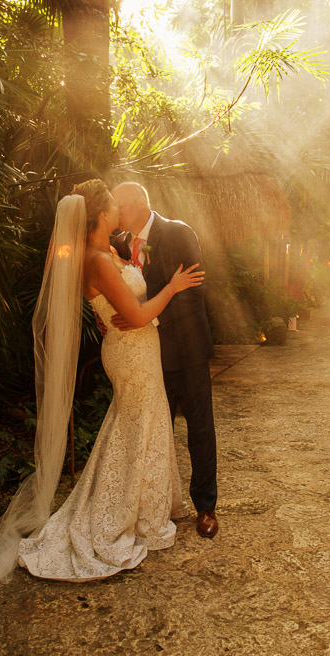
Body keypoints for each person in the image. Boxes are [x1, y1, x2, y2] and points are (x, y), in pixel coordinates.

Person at [0, 179, 203, 596]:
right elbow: (137, 316)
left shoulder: (108, 252)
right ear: (102, 215)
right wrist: (173, 289)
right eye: (113, 209)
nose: (119, 215)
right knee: (136, 429)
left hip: (135, 349)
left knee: (137, 428)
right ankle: (117, 517)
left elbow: (125, 304)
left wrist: (133, 307)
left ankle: (145, 508)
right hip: (132, 352)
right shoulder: (98, 259)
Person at [110, 182, 219, 539]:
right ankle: (157, 506)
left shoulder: (177, 232)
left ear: (140, 203)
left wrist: (146, 317)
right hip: (147, 356)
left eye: (121, 208)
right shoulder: (120, 244)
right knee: (156, 432)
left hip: (187, 350)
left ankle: (206, 506)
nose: (116, 216)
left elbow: (194, 291)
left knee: (199, 429)